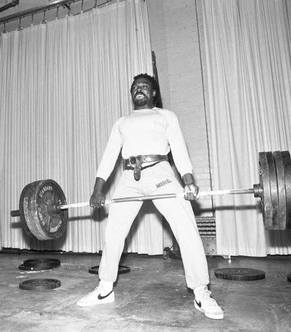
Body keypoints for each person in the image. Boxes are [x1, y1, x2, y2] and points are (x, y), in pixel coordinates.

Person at [76, 73, 224, 320]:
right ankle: (105, 289)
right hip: (129, 177)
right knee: (114, 230)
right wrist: (97, 189)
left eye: (144, 86)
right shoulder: (122, 122)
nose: (138, 89)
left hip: (160, 172)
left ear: (153, 93)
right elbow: (109, 156)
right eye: (135, 87)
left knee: (186, 227)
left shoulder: (166, 116)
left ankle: (201, 292)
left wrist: (188, 182)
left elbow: (179, 149)